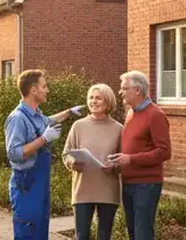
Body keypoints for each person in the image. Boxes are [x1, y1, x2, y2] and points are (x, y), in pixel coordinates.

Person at [4, 69, 85, 240]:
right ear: (33, 90)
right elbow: (14, 153)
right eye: (44, 86)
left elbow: (48, 121)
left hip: (39, 186)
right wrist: (43, 139)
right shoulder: (17, 118)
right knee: (27, 230)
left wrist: (69, 112)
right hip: (25, 185)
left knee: (40, 230)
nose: (47, 90)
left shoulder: (36, 115)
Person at [107, 71, 171, 240]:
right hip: (128, 182)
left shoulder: (155, 115)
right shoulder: (131, 113)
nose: (120, 92)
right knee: (134, 233)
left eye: (124, 88)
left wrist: (131, 159)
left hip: (146, 185)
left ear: (137, 90)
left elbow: (164, 152)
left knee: (143, 234)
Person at [62, 84, 124, 240]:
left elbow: (123, 161)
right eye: (91, 98)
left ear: (108, 102)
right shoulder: (78, 126)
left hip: (108, 191)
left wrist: (115, 167)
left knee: (104, 236)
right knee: (81, 236)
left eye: (98, 98)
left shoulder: (118, 129)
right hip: (83, 190)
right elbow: (66, 154)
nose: (93, 101)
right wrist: (73, 163)